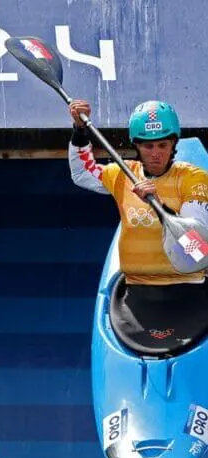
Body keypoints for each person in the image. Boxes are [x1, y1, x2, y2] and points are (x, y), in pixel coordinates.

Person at [68, 98, 208, 351]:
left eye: (163, 145)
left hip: (188, 293)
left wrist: (159, 204)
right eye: (148, 146)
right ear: (137, 146)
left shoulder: (192, 178)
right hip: (137, 293)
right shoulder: (122, 174)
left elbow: (197, 250)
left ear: (174, 144)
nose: (156, 153)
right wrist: (79, 130)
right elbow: (83, 173)